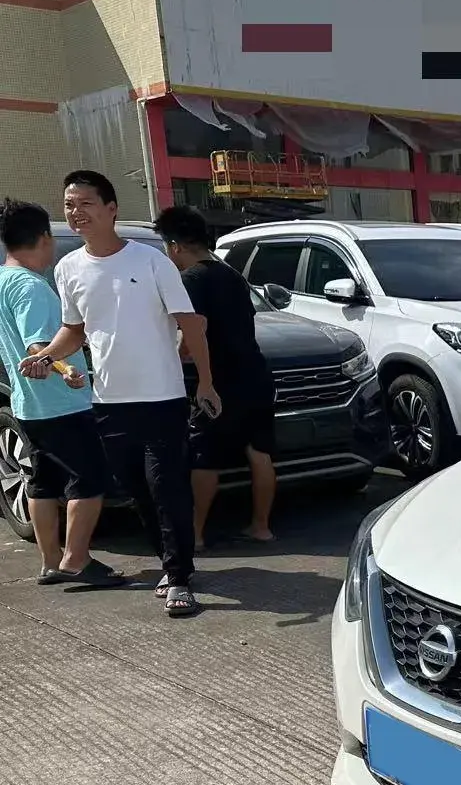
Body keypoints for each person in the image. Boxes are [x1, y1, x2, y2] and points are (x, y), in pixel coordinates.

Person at [21, 170, 220, 618]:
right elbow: (75, 331)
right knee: (136, 490)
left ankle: (180, 576)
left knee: (166, 487)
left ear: (112, 208)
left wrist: (205, 382)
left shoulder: (151, 261)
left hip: (162, 397)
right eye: (69, 204)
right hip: (109, 400)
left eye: (86, 203)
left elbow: (190, 324)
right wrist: (47, 356)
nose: (76, 212)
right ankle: (169, 563)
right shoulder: (69, 269)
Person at [0, 199, 124, 587]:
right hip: (61, 404)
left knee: (42, 481)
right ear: (43, 238)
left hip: (27, 404)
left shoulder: (2, 279)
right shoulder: (30, 288)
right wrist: (68, 369)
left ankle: (51, 560)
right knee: (88, 480)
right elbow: (38, 344)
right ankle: (77, 559)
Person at [152, 206, 276, 548]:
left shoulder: (192, 278)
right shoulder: (233, 275)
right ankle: (261, 526)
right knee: (258, 452)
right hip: (256, 373)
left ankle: (195, 534)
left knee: (204, 454)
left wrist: (173, 357)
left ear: (175, 245)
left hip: (221, 381)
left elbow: (197, 330)